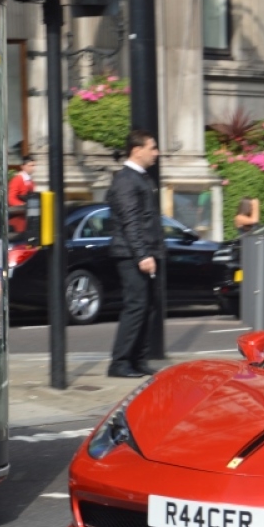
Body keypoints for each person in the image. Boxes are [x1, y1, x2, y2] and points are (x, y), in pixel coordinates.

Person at [106, 130, 163, 379]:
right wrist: (142, 255)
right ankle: (119, 362)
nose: (156, 153)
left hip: (144, 250)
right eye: (152, 147)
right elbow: (131, 221)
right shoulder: (126, 180)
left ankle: (138, 359)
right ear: (136, 150)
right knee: (136, 306)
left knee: (148, 306)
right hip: (131, 254)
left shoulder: (140, 178)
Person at [8, 157, 35, 233]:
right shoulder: (17, 179)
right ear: (23, 166)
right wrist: (23, 205)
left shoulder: (30, 181)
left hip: (28, 216)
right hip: (19, 218)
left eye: (34, 165)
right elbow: (11, 198)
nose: (33, 168)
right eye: (30, 165)